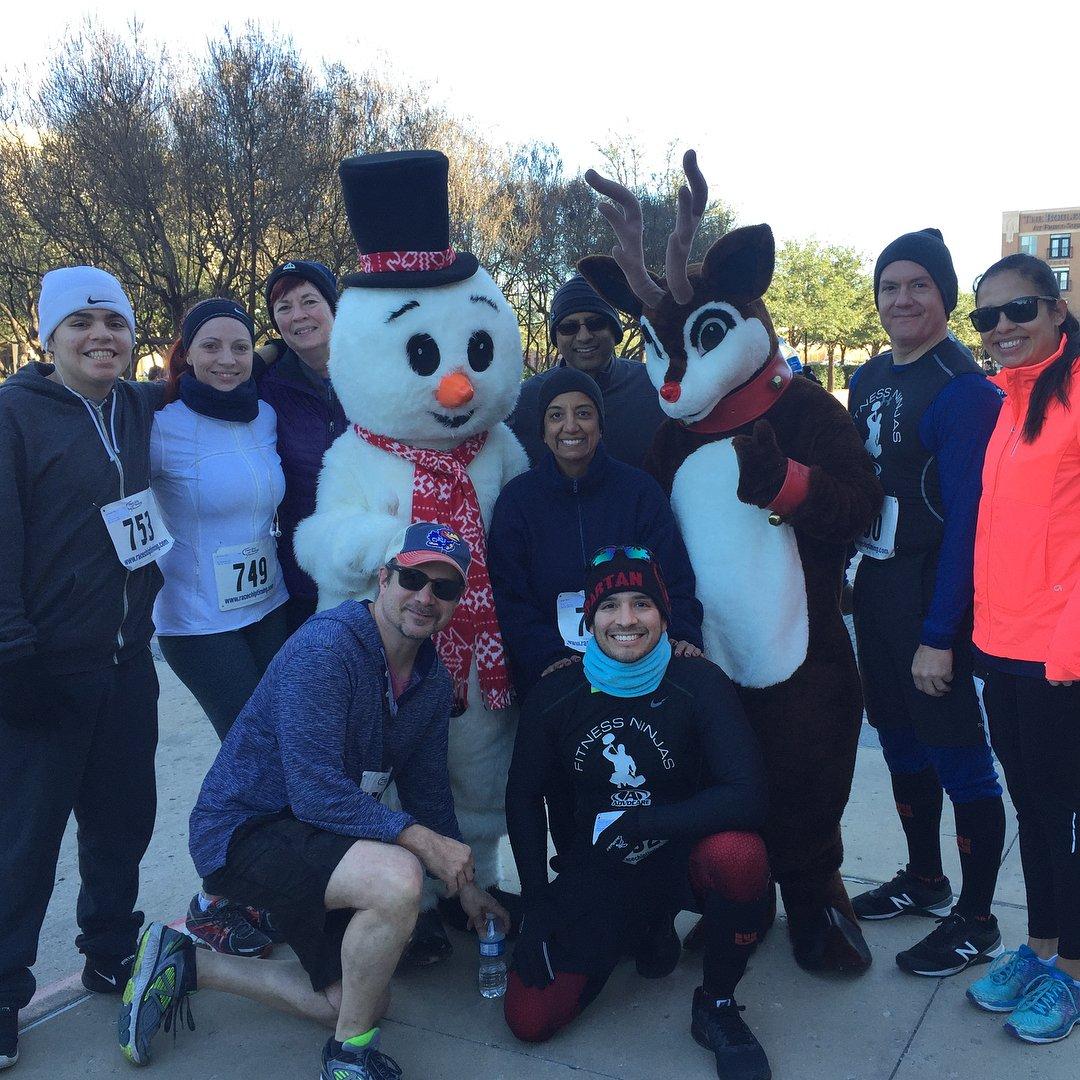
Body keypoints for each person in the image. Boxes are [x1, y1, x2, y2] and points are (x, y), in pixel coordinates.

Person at [118, 522, 508, 1080]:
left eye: (443, 589)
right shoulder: (328, 648)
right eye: (413, 578)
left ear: (455, 603)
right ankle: (348, 1059)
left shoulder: (431, 682)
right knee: (398, 877)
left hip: (319, 836)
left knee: (357, 1003)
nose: (425, 597)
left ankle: (187, 964)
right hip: (245, 832)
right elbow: (315, 792)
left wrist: (467, 887)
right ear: (384, 578)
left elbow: (428, 796)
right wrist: (421, 845)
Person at [504, 547, 771, 1080]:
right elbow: (523, 798)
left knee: (740, 855)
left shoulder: (699, 682)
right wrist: (535, 906)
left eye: (642, 603)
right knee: (528, 1020)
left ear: (664, 614)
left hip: (681, 861)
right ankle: (643, 931)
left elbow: (748, 796)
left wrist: (641, 822)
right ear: (589, 618)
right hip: (597, 873)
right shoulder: (558, 691)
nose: (626, 620)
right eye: (610, 606)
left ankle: (716, 1003)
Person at [0, 267, 167, 1071]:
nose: (102, 335)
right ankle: (2, 991)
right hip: (45, 668)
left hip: (127, 660)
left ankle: (109, 946)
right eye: (82, 323)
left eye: (115, 323)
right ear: (49, 336)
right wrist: (11, 653)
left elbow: (222, 372)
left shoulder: (135, 406)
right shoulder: (12, 416)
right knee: (24, 842)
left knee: (121, 820)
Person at [847, 229, 1008, 977]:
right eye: (890, 286)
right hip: (875, 587)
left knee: (959, 758)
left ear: (944, 295)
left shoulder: (965, 390)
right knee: (900, 744)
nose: (902, 299)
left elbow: (970, 523)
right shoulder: (870, 376)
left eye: (918, 285)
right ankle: (924, 878)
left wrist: (942, 632)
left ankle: (978, 920)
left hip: (929, 589)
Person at [961, 254, 1080, 1043]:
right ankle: (1040, 950)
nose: (1003, 327)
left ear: (1058, 308)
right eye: (988, 317)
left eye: (1020, 309)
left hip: (1060, 656)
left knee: (1065, 817)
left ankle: (1071, 971)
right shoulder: (1011, 401)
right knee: (1032, 809)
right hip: (1002, 647)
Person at [151, 298, 290, 957]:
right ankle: (213, 900)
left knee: (289, 749)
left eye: (239, 346)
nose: (227, 359)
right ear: (187, 353)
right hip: (197, 621)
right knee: (251, 755)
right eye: (211, 346)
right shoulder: (159, 420)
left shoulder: (265, 413)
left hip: (268, 607)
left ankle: (264, 890)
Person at [490, 367, 703, 700]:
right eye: (556, 415)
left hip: (638, 660)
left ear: (600, 426)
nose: (571, 426)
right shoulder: (517, 501)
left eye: (584, 413)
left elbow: (673, 574)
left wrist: (683, 634)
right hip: (551, 670)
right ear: (543, 431)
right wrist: (546, 655)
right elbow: (509, 595)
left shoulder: (639, 491)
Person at [258, 260, 346, 634]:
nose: (299, 316)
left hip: (377, 565)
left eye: (309, 301)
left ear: (333, 306)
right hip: (300, 578)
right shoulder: (264, 387)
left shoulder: (379, 372)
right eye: (284, 307)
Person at [507, 275, 667, 469]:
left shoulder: (654, 386)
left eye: (596, 323)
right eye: (569, 327)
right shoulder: (524, 401)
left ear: (614, 330)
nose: (584, 336)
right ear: (556, 337)